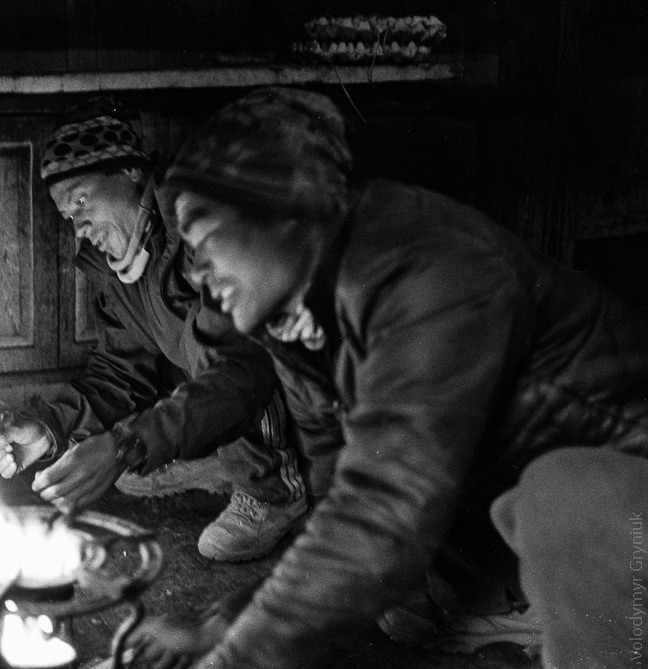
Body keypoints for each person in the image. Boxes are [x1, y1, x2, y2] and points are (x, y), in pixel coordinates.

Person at [127, 86, 648, 668]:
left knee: (568, 495)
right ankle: (546, 619)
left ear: (287, 211)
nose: (197, 274)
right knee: (406, 592)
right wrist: (228, 625)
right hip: (539, 519)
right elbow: (340, 503)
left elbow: (386, 513)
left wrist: (236, 660)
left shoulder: (435, 268)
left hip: (624, 501)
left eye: (204, 234)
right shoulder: (300, 323)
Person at [0, 96, 309, 562]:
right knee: (130, 474)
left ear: (132, 173)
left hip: (303, 384)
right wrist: (48, 429)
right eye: (67, 215)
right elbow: (121, 371)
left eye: (82, 199)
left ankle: (278, 489)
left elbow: (240, 372)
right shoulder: (116, 267)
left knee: (200, 387)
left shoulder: (203, 228)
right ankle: (227, 461)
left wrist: (123, 444)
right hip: (231, 388)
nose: (79, 226)